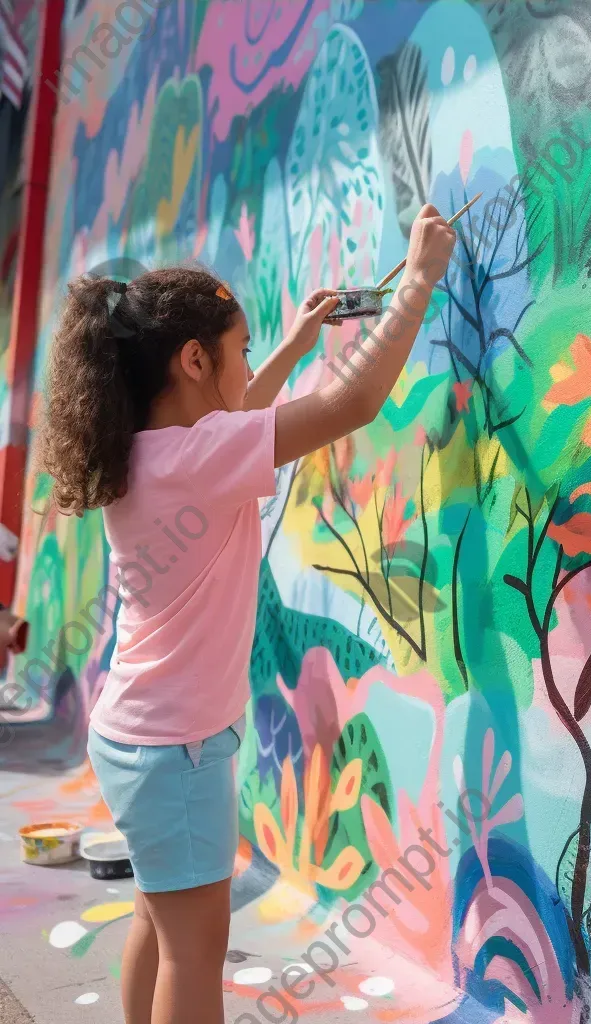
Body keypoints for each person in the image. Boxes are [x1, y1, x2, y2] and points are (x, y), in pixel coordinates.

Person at [36, 205, 456, 1024]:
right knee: (195, 957)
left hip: (135, 737)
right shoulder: (198, 459)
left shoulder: (150, 454)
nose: (246, 368)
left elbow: (231, 426)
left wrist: (292, 347)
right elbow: (351, 404)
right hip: (176, 751)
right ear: (194, 359)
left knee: (159, 925)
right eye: (240, 353)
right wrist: (418, 281)